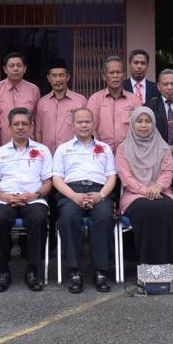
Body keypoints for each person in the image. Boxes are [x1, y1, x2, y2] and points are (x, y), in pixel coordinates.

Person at [0, 108, 53, 292]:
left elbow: (48, 182)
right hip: (4, 199)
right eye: (16, 124)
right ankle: (3, 271)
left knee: (39, 219)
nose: (20, 127)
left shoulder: (42, 150)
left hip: (33, 199)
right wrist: (4, 196)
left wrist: (35, 195)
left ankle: (33, 270)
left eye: (24, 124)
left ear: (31, 126)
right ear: (9, 127)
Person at [52, 108, 117, 293]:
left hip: (99, 191)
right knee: (68, 217)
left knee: (104, 217)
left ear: (93, 123)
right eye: (79, 122)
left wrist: (101, 195)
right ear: (73, 125)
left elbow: (111, 176)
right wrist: (74, 196)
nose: (83, 125)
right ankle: (74, 272)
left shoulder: (104, 148)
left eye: (87, 121)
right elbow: (57, 178)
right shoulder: (63, 149)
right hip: (71, 191)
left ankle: (101, 271)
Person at [116, 107, 173, 272]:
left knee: (168, 209)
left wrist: (158, 186)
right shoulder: (123, 149)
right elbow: (126, 178)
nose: (143, 125)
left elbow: (168, 171)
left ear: (154, 124)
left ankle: (171, 269)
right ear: (132, 124)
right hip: (134, 194)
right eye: (139, 121)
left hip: (162, 191)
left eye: (148, 121)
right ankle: (148, 269)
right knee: (146, 209)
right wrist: (146, 191)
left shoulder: (164, 147)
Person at [86, 56, 141, 155]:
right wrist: (101, 150)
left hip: (129, 153)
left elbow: (140, 127)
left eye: (118, 72)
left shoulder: (134, 100)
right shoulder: (95, 99)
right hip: (101, 154)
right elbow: (90, 128)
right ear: (104, 76)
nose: (115, 75)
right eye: (111, 73)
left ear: (123, 75)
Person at [34, 58, 87, 155]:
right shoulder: (42, 102)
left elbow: (86, 129)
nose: (58, 79)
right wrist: (40, 153)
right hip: (48, 155)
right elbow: (38, 131)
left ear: (68, 77)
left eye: (61, 75)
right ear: (49, 78)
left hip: (73, 154)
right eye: (54, 76)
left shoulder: (80, 101)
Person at [0, 52, 41, 142]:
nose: (15, 69)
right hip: (2, 144)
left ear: (24, 69)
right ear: (5, 69)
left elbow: (36, 120)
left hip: (28, 144)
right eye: (11, 66)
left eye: (19, 65)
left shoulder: (34, 90)